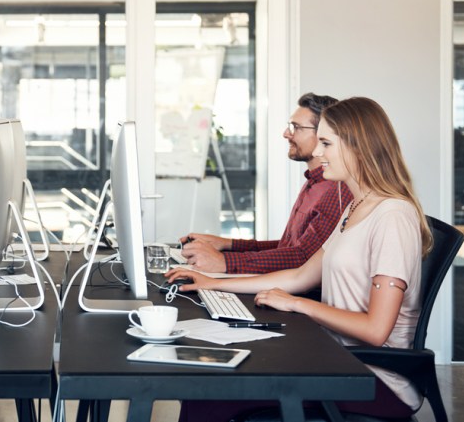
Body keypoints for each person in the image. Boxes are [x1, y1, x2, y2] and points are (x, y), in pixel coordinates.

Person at [166, 96, 433, 420]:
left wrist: (297, 304)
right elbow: (300, 276)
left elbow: (377, 330)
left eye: (326, 143)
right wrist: (212, 282)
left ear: (358, 147)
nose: (317, 153)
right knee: (207, 383)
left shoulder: (392, 216)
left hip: (373, 380)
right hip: (331, 358)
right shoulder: (355, 208)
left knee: (207, 397)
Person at [181, 92, 352, 274]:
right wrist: (227, 244)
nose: (286, 133)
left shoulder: (337, 189)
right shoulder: (313, 183)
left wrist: (225, 262)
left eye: (296, 127)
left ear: (323, 133)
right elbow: (287, 248)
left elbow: (302, 258)